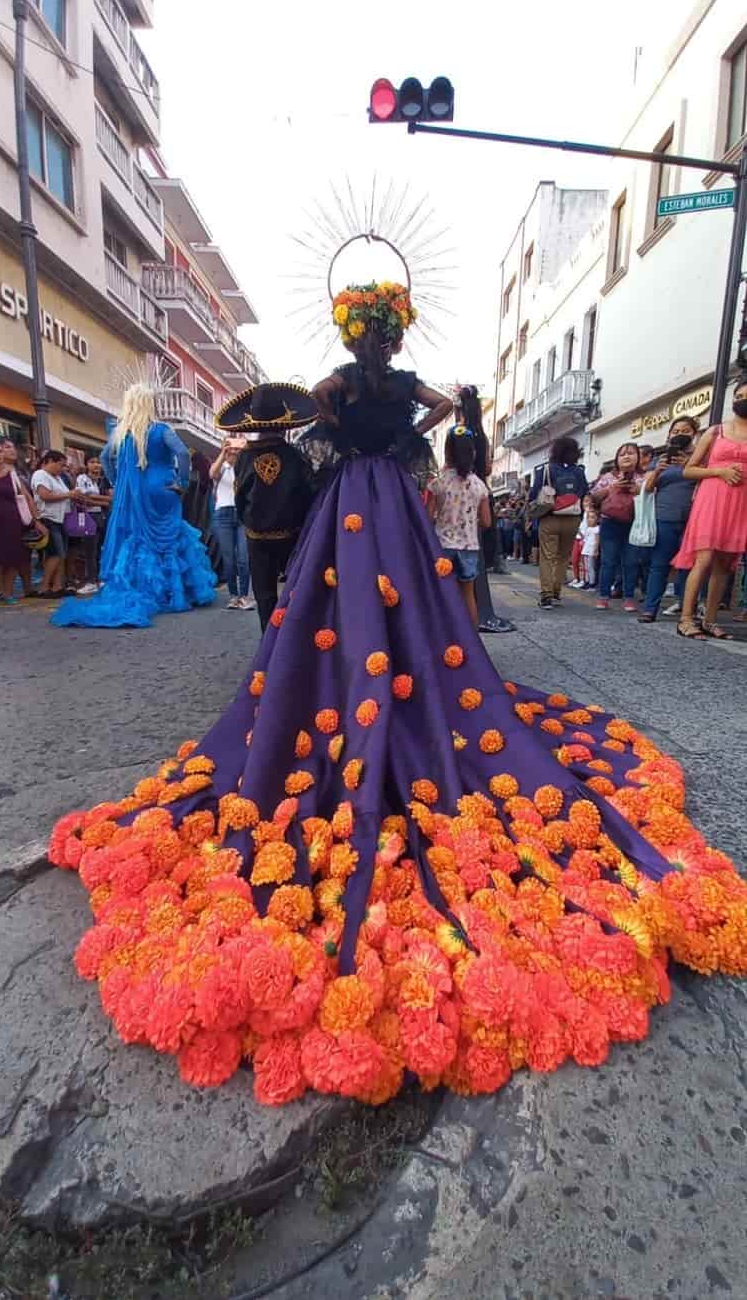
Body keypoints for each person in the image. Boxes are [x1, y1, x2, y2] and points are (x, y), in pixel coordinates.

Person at [46, 277, 747, 1110]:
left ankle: (355, 674)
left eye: (373, 333)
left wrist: (341, 432)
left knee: (354, 599)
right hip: (384, 497)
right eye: (377, 333)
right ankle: (373, 672)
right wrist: (397, 430)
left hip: (353, 494)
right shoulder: (394, 383)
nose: (376, 344)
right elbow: (439, 403)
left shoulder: (344, 383)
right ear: (383, 331)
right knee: (395, 597)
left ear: (360, 330)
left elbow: (312, 412)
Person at [51, 383, 216, 628]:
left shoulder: (123, 433)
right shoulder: (161, 429)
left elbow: (107, 458)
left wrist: (120, 482)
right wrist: (181, 482)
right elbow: (182, 453)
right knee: (171, 537)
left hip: (136, 490)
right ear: (150, 404)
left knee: (138, 537)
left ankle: (145, 591)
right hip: (163, 486)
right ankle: (178, 593)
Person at [220, 389, 317, 631]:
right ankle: (295, 642)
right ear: (284, 426)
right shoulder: (295, 455)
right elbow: (308, 494)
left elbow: (239, 497)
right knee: (297, 591)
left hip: (257, 537)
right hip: (293, 535)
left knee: (264, 596)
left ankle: (269, 647)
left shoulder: (244, 457)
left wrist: (250, 522)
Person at [673, 387, 747, 640]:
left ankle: (710, 620)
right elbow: (689, 470)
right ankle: (685, 618)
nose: (742, 401)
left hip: (741, 504)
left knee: (724, 566)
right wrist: (719, 472)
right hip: (712, 500)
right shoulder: (715, 432)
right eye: (739, 396)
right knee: (703, 560)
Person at [455, 385, 514, 631]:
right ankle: (480, 613)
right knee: (474, 562)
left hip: (455, 501)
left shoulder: (457, 432)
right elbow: (488, 468)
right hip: (477, 501)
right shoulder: (480, 435)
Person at [636, 417, 698, 624]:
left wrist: (690, 464)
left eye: (686, 430)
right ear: (669, 435)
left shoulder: (702, 456)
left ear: (694, 434)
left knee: (689, 566)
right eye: (676, 430)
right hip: (664, 517)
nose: (680, 433)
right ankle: (650, 608)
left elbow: (707, 479)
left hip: (693, 518)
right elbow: (648, 487)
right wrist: (658, 470)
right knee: (659, 565)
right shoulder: (660, 459)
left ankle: (687, 608)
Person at [429, 425, 492, 627]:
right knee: (468, 595)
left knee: (440, 595)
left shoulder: (438, 483)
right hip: (469, 548)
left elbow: (427, 516)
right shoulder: (479, 485)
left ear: (447, 452)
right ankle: (472, 643)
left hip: (442, 546)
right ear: (473, 453)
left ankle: (444, 641)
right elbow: (487, 521)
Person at [530, 436, 589, 609]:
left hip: (550, 517)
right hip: (572, 518)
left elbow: (534, 494)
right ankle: (556, 592)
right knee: (563, 557)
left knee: (547, 557)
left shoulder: (546, 470)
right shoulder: (579, 471)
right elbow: (583, 491)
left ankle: (546, 595)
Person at [591, 442, 643, 611]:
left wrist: (638, 490)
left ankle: (628, 597)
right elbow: (594, 497)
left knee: (631, 562)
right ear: (617, 459)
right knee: (608, 561)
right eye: (622, 454)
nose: (627, 456)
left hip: (634, 523)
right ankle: (603, 596)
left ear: (638, 457)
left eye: (631, 453)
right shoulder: (607, 477)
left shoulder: (645, 477)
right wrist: (612, 488)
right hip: (610, 522)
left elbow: (651, 497)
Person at [0, 439, 46, 602]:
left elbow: (27, 498)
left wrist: (36, 520)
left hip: (13, 521)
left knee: (12, 558)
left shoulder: (12, 474)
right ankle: (0, 591)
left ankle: (8, 593)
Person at [31, 450, 84, 598]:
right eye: (60, 465)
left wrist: (74, 494)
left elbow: (64, 494)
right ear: (49, 462)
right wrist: (68, 494)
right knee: (55, 553)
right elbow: (45, 495)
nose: (62, 469)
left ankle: (57, 586)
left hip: (61, 519)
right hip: (49, 519)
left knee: (62, 554)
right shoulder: (40, 475)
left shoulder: (58, 478)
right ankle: (44, 587)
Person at [210, 438, 254, 611]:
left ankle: (244, 596)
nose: (234, 452)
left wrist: (244, 455)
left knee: (244, 558)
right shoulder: (222, 467)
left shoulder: (244, 468)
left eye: (237, 449)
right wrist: (223, 454)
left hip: (242, 515)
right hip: (223, 514)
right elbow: (212, 474)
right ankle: (234, 596)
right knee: (229, 559)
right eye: (231, 448)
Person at [73, 455, 113, 596]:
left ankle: (100, 579)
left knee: (101, 549)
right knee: (89, 551)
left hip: (102, 517)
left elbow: (111, 499)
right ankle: (91, 581)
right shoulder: (82, 478)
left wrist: (94, 498)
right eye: (92, 462)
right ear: (86, 464)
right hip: (88, 516)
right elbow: (83, 498)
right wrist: (103, 501)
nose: (96, 465)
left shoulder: (103, 480)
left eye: (98, 462)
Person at [580, 506, 600, 588]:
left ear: (597, 519)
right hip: (586, 549)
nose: (590, 519)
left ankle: (592, 583)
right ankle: (587, 581)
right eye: (588, 517)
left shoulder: (597, 529)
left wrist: (595, 550)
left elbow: (597, 541)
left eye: (592, 517)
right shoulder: (588, 529)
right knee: (586, 567)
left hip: (591, 549)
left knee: (591, 567)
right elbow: (585, 539)